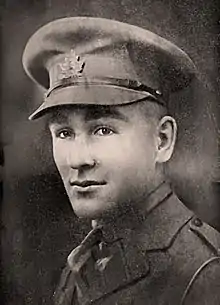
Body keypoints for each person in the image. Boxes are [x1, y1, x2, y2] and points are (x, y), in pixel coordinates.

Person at [22, 17, 220, 305]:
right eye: (64, 133)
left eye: (103, 129)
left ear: (162, 140)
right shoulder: (86, 260)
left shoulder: (203, 273)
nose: (78, 159)